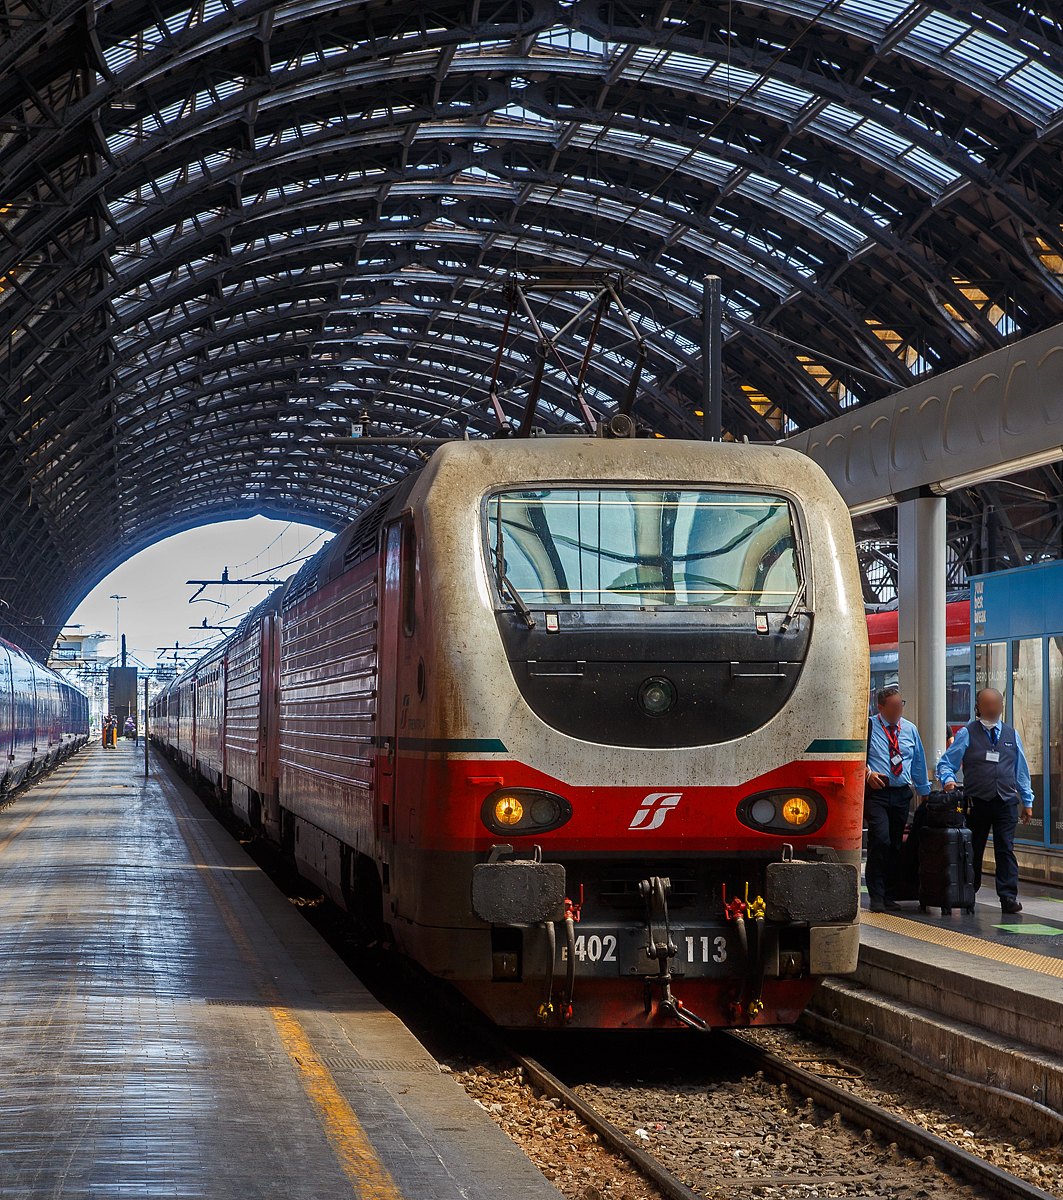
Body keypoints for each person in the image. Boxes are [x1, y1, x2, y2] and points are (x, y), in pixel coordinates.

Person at [937, 687, 1034, 914]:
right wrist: (949, 780)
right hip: (976, 802)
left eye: (996, 705)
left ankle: (1008, 897)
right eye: (987, 705)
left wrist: (1027, 800)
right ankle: (969, 893)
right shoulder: (967, 733)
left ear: (1001, 707)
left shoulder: (1012, 735)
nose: (992, 709)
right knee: (973, 850)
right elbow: (946, 764)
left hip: (1006, 801)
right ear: (978, 707)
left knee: (1005, 849)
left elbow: (1021, 770)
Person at [865, 686, 932, 912]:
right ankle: (876, 893)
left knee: (895, 844)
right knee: (880, 840)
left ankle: (889, 894)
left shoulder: (910, 729)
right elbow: (855, 759)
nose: (898, 710)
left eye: (900, 705)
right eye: (893, 706)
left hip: (902, 793)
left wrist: (924, 791)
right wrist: (868, 773)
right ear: (881, 707)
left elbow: (919, 761)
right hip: (878, 793)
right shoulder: (869, 727)